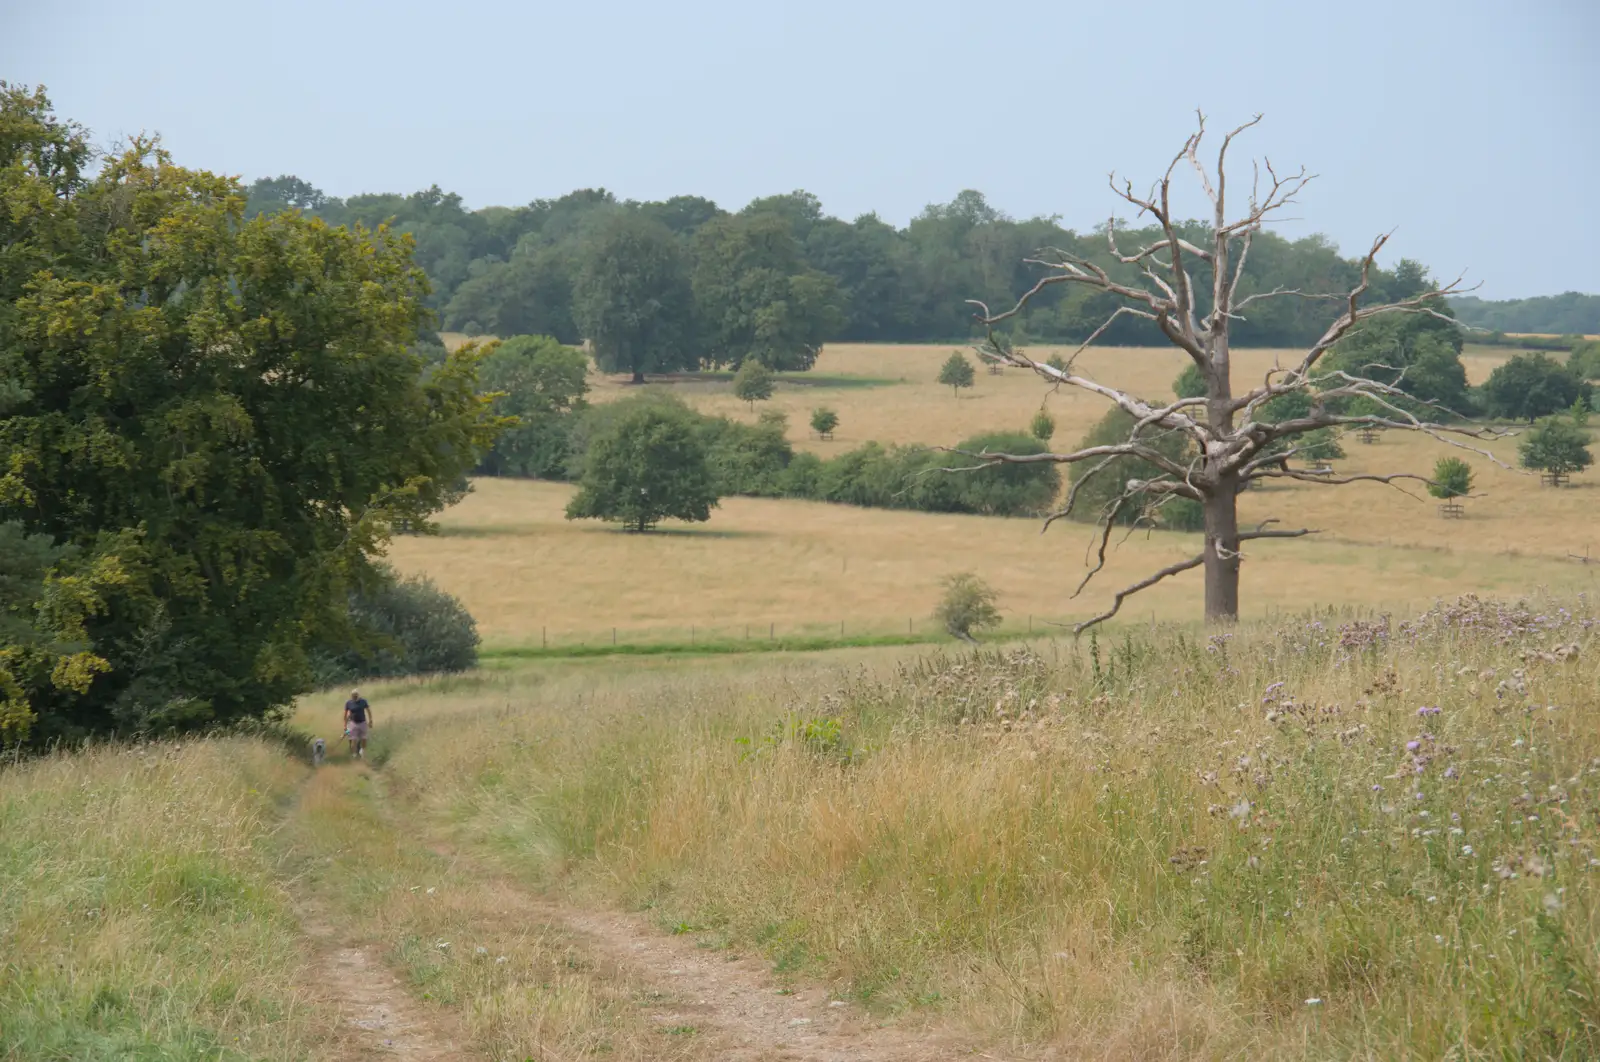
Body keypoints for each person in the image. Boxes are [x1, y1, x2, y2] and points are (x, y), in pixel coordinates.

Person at [343, 689, 373, 759]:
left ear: (358, 695)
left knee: (364, 739)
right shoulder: (348, 703)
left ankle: (362, 751)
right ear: (351, 696)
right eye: (353, 696)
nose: (355, 697)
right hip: (353, 723)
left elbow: (368, 711)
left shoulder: (363, 701)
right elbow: (345, 715)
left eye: (356, 695)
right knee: (353, 739)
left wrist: (370, 721)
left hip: (362, 722)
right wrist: (345, 725)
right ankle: (354, 755)